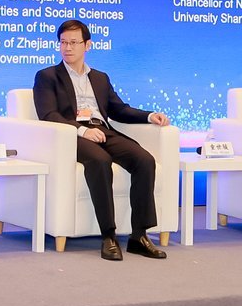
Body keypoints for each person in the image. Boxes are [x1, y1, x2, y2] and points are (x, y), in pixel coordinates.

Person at [33, 19, 169, 260]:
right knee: (100, 160)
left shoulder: (100, 78)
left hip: (103, 130)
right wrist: (81, 131)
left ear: (87, 45)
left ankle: (139, 236)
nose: (67, 48)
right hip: (71, 135)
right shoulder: (47, 76)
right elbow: (49, 114)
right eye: (63, 42)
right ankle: (109, 236)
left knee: (144, 160)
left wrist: (149, 116)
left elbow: (119, 110)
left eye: (73, 42)